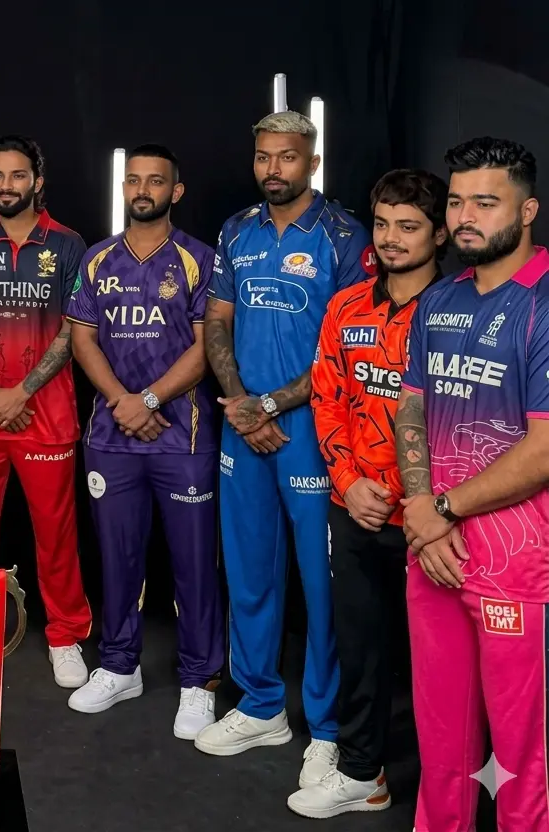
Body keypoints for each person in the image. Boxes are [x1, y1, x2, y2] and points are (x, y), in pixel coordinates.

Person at [197, 111, 376, 788]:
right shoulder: (236, 229)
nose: (275, 169)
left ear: (312, 162)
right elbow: (218, 322)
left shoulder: (343, 235)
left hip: (312, 432)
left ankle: (327, 729)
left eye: (288, 158)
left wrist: (271, 406)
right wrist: (243, 403)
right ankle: (261, 704)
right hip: (241, 425)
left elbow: (344, 346)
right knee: (248, 570)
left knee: (321, 586)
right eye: (264, 158)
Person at [397, 137, 549, 832]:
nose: (465, 216)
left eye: (485, 202)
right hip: (434, 554)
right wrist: (423, 511)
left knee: (523, 756)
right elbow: (414, 410)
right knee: (443, 745)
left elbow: (545, 448)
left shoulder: (543, 303)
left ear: (527, 212)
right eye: (457, 201)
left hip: (517, 566)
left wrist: (441, 510)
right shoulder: (439, 301)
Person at [291, 168, 447, 818]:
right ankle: (362, 773)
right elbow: (327, 398)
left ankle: (450, 798)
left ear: (440, 233)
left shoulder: (459, 312)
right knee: (359, 646)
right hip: (356, 507)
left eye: (408, 226)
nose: (390, 239)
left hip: (434, 519)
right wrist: (349, 483)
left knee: (441, 669)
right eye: (382, 224)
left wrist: (430, 505)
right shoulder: (346, 305)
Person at [63, 144, 222, 736]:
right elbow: (82, 340)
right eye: (134, 179)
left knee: (193, 565)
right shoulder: (98, 258)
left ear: (175, 191)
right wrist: (122, 403)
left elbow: (207, 348)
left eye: (156, 181)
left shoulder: (199, 258)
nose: (143, 189)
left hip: (183, 437)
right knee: (119, 556)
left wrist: (150, 400)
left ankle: (198, 679)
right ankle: (118, 665)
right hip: (112, 435)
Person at [0, 134, 92, 688]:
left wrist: (23, 390)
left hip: (46, 414)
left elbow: (77, 329)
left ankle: (65, 634)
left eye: (18, 176)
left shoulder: (71, 245)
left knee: (55, 532)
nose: (7, 186)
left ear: (38, 181)